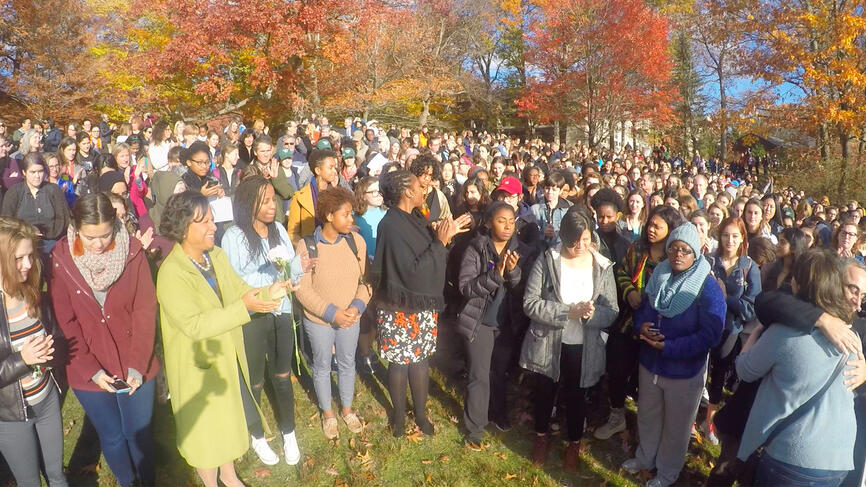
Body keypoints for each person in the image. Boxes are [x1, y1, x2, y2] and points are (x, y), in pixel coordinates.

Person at [155, 191, 286, 487]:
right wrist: (245, 309)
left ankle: (229, 477)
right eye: (205, 222)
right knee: (205, 435)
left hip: (225, 358)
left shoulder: (214, 256)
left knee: (225, 425)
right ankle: (211, 482)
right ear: (183, 227)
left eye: (213, 220)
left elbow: (239, 289)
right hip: (197, 370)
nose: (214, 227)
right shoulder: (171, 273)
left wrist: (269, 293)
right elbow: (194, 325)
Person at [48, 193, 159, 487]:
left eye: (105, 236)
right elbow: (66, 322)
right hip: (87, 369)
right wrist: (92, 371)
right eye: (89, 237)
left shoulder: (132, 251)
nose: (98, 245)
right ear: (76, 229)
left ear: (116, 223)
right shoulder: (61, 259)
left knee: (138, 432)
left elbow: (145, 310)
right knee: (111, 434)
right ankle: (127, 481)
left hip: (135, 361)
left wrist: (137, 365)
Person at [736, 249, 859, 487]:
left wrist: (756, 334)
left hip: (792, 458)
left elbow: (745, 370)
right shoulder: (850, 335)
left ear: (798, 283)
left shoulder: (783, 333)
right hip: (838, 460)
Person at [621, 222, 726, 487]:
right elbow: (644, 307)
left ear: (696, 254)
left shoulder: (707, 287)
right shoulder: (660, 275)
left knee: (676, 428)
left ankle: (667, 472)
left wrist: (671, 348)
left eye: (685, 250)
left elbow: (710, 335)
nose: (678, 254)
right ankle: (645, 458)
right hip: (651, 364)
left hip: (683, 371)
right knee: (648, 415)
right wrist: (640, 326)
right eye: (674, 249)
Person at [371, 169, 469, 437]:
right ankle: (400, 417)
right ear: (407, 192)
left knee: (420, 361)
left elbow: (428, 255)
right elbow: (410, 271)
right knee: (400, 364)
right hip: (398, 305)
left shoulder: (414, 218)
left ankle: (421, 415)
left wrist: (443, 235)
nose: (424, 189)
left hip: (422, 305)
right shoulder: (390, 225)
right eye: (418, 185)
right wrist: (439, 242)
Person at [521, 206, 618, 470]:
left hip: (583, 346)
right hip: (549, 342)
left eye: (585, 239)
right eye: (574, 241)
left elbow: (611, 310)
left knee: (576, 395)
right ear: (563, 236)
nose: (580, 246)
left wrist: (590, 316)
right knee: (545, 391)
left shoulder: (602, 266)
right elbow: (530, 303)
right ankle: (541, 436)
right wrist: (567, 312)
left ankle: (574, 441)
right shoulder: (548, 259)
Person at [221, 176, 304, 465]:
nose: (273, 206)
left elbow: (290, 273)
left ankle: (289, 431)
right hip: (253, 316)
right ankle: (256, 435)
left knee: (282, 375)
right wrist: (270, 270)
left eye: (273, 199)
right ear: (248, 203)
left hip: (280, 313)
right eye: (265, 200)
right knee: (254, 380)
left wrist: (297, 268)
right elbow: (236, 281)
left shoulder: (279, 229)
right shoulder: (233, 236)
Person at [595, 205, 685, 441]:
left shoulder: (675, 258)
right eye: (650, 224)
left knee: (645, 380)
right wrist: (629, 293)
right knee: (617, 368)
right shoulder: (637, 249)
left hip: (657, 329)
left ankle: (645, 427)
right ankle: (617, 416)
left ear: (671, 230)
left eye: (658, 226)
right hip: (627, 322)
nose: (652, 230)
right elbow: (622, 273)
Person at [295, 186, 371, 439]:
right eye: (346, 214)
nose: (352, 219)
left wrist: (355, 307)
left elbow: (366, 282)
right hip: (319, 321)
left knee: (348, 363)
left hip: (351, 318)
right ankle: (328, 414)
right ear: (329, 216)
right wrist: (331, 313)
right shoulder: (307, 247)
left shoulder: (356, 242)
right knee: (322, 365)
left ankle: (347, 409)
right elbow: (302, 291)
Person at [457, 202, 532, 450]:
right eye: (502, 220)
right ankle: (475, 429)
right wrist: (496, 275)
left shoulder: (520, 250)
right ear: (489, 223)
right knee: (479, 375)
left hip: (507, 324)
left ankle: (497, 413)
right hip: (481, 323)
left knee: (498, 373)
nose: (508, 226)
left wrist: (512, 273)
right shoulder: (476, 249)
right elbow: (466, 287)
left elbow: (523, 289)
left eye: (512, 221)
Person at [0, 217, 67, 487]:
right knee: (29, 482)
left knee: (57, 476)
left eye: (31, 256)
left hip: (47, 399)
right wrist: (23, 360)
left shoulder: (32, 290)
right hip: (11, 416)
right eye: (19, 258)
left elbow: (56, 335)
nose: (28, 265)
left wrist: (53, 353)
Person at [700, 217, 761, 444]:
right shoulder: (709, 261)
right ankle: (688, 419)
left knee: (718, 377)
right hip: (704, 326)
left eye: (735, 236)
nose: (730, 240)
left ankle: (710, 422)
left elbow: (751, 308)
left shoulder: (749, 267)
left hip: (730, 329)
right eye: (726, 235)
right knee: (699, 373)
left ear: (742, 238)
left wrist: (726, 298)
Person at [1, 153, 70, 256]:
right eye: (32, 172)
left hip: (51, 244)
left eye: (40, 171)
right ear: (24, 172)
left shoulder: (53, 190)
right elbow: (7, 222)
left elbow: (64, 219)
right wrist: (26, 230)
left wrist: (46, 232)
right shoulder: (14, 192)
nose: (37, 176)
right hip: (21, 244)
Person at [287, 149, 339, 244]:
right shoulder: (300, 197)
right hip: (311, 251)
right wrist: (305, 249)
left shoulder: (338, 195)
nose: (335, 171)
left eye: (335, 168)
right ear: (318, 170)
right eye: (331, 168)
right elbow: (292, 233)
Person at [530, 171, 572, 250]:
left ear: (561, 190)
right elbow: (530, 234)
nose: (550, 192)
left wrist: (557, 234)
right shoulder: (535, 209)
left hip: (560, 251)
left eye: (554, 189)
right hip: (539, 250)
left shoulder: (567, 209)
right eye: (547, 188)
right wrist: (542, 233)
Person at [410, 154, 452, 223]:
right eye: (423, 174)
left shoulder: (439, 196)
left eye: (429, 175)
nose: (426, 178)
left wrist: (437, 225)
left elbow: (447, 219)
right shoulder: (409, 193)